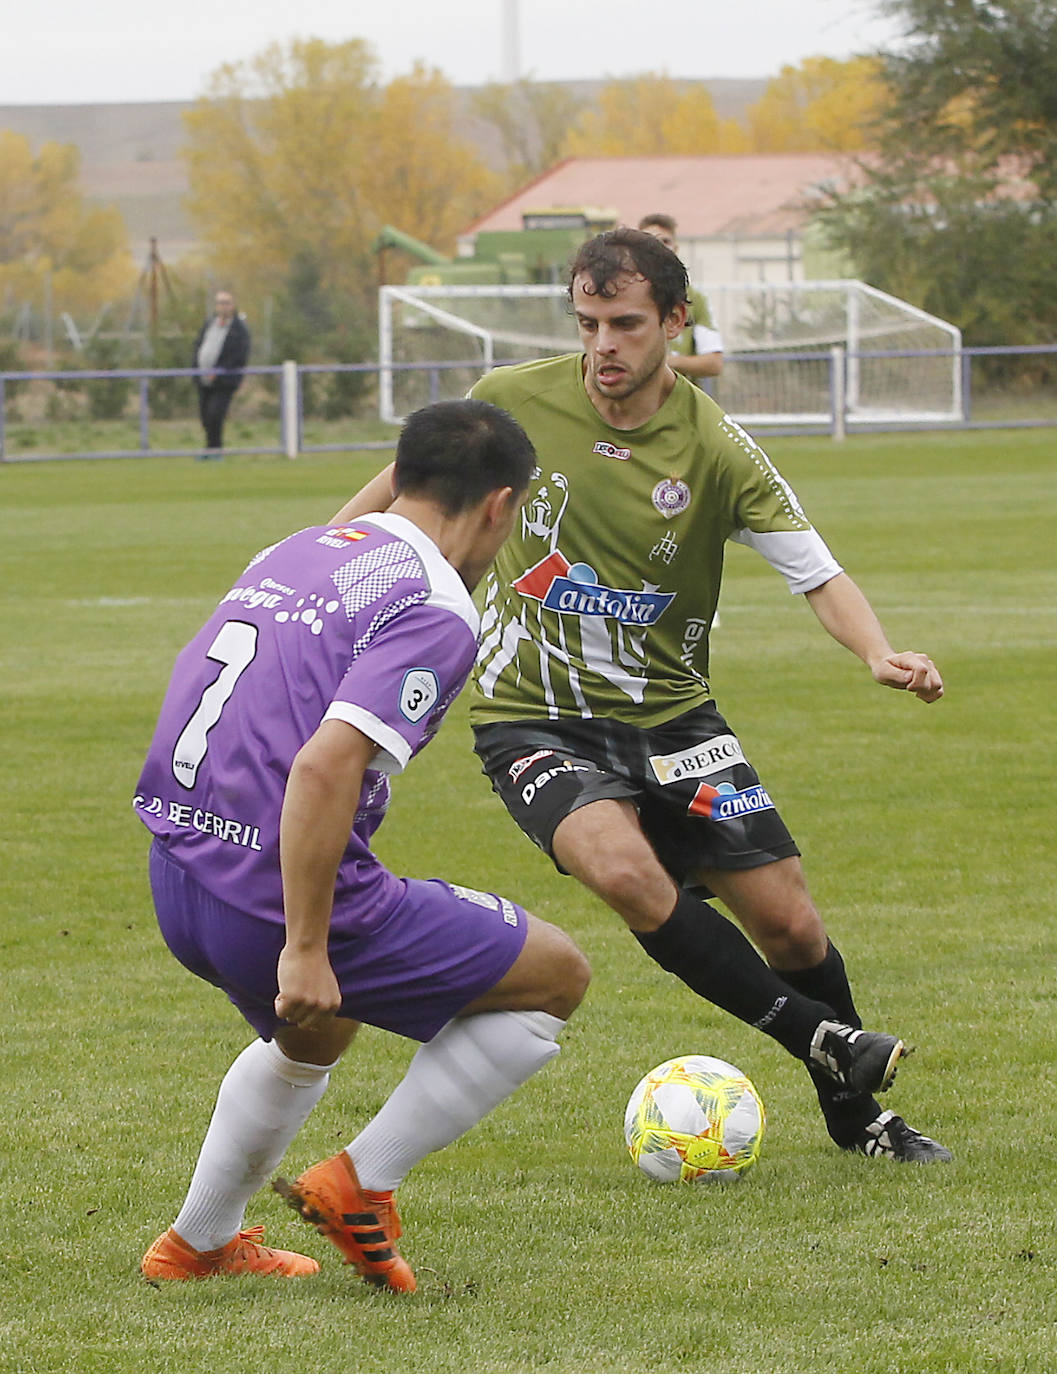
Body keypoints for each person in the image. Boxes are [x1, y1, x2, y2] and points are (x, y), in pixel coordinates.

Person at [332, 229, 951, 1165]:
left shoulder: (714, 447)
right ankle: (827, 1049)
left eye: (624, 324)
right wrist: (309, 568)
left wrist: (875, 652)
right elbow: (394, 494)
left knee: (787, 920)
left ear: (673, 322)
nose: (601, 346)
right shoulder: (509, 403)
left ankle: (849, 1104)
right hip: (530, 718)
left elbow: (814, 571)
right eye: (587, 323)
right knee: (622, 873)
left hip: (673, 716)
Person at [133, 399, 590, 1289]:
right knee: (555, 976)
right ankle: (361, 1183)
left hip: (178, 868)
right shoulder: (436, 609)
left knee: (321, 1029)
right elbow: (322, 771)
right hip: (269, 893)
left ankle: (199, 1244)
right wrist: (305, 946)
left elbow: (376, 514)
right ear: (498, 506)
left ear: (402, 475)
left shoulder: (303, 548)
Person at [637, 213, 723, 384]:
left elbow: (714, 363)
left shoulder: (695, 299)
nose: (658, 248)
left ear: (675, 247)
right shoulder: (622, 294)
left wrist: (665, 362)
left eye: (665, 242)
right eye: (649, 242)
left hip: (677, 401)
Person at [192, 289, 251, 460]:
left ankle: (216, 451)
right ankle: (210, 449)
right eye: (219, 303)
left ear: (233, 305)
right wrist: (196, 368)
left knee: (215, 414)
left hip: (224, 381)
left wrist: (218, 371)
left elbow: (239, 355)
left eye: (226, 303)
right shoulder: (210, 324)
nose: (222, 306)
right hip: (203, 380)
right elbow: (198, 345)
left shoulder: (239, 329)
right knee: (205, 416)